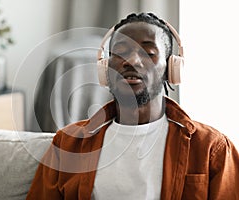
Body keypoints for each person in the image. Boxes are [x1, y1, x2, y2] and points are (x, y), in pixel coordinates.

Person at [26, 12, 239, 199]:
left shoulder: (212, 148)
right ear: (105, 68)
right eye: (120, 52)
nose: (132, 61)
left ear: (171, 68)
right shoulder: (67, 144)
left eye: (148, 52)